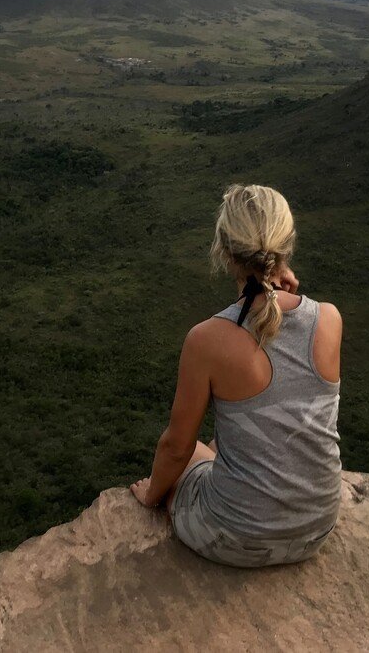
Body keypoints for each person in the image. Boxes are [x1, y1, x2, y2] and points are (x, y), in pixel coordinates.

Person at [130, 184, 343, 567]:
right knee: (225, 441)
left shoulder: (207, 340)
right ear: (286, 247)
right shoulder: (329, 319)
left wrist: (152, 498)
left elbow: (176, 447)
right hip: (317, 529)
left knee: (197, 449)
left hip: (237, 538)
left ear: (226, 253)